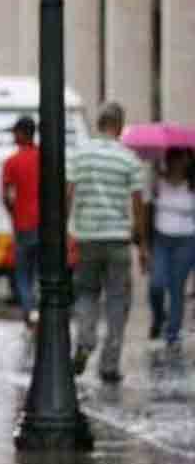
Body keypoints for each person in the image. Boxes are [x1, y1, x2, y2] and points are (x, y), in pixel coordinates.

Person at [68, 102, 147, 383]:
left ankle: (85, 342)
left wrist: (68, 232)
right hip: (117, 240)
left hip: (87, 237)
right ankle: (109, 364)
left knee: (87, 293)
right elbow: (138, 205)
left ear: (98, 124)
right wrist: (143, 245)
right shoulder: (129, 159)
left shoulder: (79, 155)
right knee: (117, 301)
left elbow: (69, 192)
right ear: (120, 126)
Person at [142, 147, 195, 352]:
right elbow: (147, 210)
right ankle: (158, 317)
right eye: (174, 158)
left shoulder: (192, 185)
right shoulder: (158, 182)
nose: (178, 163)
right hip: (161, 240)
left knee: (176, 287)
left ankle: (172, 333)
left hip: (187, 240)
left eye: (182, 159)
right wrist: (145, 242)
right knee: (156, 283)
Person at [2, 116, 42, 329]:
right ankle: (38, 309)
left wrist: (13, 212)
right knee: (39, 270)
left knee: (23, 273)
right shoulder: (45, 157)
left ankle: (29, 311)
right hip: (45, 224)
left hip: (23, 224)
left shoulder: (12, 162)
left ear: (21, 134)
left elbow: (7, 195)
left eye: (14, 132)